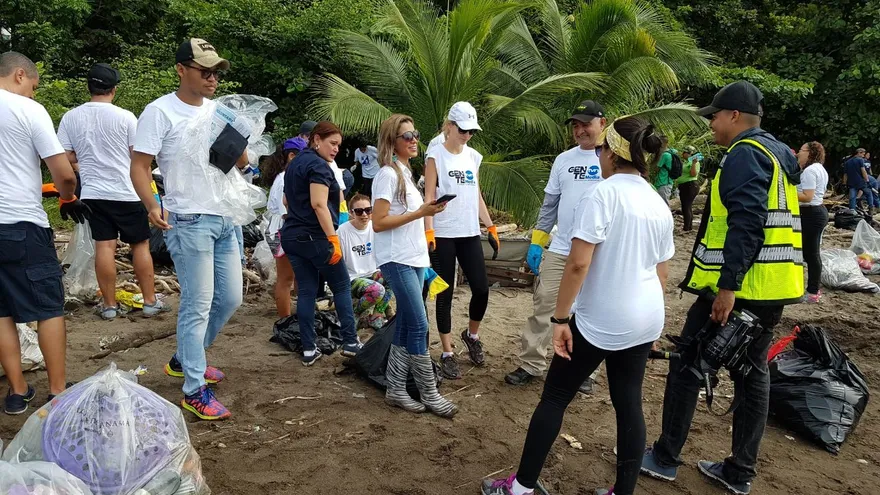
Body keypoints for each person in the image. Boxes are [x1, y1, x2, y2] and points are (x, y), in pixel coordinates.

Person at [483, 116, 673, 495]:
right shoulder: (656, 200)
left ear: (611, 152)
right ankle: (623, 491)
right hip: (646, 316)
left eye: (601, 148)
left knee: (554, 396)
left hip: (602, 316)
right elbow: (661, 272)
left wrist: (561, 318)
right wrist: (653, 325)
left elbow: (578, 262)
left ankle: (520, 488)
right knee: (628, 402)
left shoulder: (603, 194)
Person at [641, 81, 804, 495]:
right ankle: (739, 470)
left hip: (738, 290)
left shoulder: (744, 155)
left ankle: (664, 458)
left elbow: (746, 223)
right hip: (771, 289)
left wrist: (728, 288)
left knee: (688, 364)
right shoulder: (778, 154)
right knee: (752, 374)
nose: (711, 123)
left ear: (734, 116)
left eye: (714, 115)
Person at [131, 38, 241, 421]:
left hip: (225, 217)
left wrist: (243, 145)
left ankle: (185, 357)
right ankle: (194, 388)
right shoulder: (159, 112)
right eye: (204, 71)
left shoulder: (218, 110)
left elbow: (237, 161)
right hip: (189, 219)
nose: (212, 79)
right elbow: (140, 166)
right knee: (197, 304)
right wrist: (151, 204)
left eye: (216, 72)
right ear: (181, 69)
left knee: (231, 299)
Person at [0, 51, 88, 415]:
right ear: (20, 75)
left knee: (1, 311)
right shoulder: (27, 109)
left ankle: (17, 392)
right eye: (33, 87)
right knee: (49, 307)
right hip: (21, 223)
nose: (34, 94)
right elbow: (63, 172)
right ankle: (56, 390)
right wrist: (67, 198)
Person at [505, 100, 606, 394]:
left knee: (588, 311)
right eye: (576, 125)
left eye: (586, 123)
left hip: (597, 250)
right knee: (544, 304)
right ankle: (531, 363)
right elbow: (550, 205)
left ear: (602, 122)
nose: (580, 130)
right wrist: (538, 242)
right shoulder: (564, 160)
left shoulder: (611, 158)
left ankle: (584, 370)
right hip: (561, 247)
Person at [56, 63, 168, 320]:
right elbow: (139, 158)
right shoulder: (126, 117)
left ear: (89, 87)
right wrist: (151, 195)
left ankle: (109, 306)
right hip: (126, 192)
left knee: (104, 247)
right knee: (140, 245)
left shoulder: (71, 117)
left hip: (93, 193)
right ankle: (150, 301)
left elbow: (64, 154)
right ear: (114, 89)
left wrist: (81, 156)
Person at [371, 113, 456, 418]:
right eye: (406, 136)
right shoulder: (388, 175)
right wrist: (421, 212)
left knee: (409, 323)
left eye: (415, 134)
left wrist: (427, 212)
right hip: (396, 258)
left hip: (415, 256)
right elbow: (378, 222)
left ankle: (395, 388)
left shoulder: (405, 174)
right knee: (419, 324)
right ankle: (429, 392)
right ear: (391, 142)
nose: (413, 140)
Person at [424, 101, 498, 379]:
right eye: (463, 130)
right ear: (450, 127)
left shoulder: (472, 157)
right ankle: (446, 351)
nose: (467, 136)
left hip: (468, 232)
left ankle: (472, 334)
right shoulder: (436, 156)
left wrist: (490, 226)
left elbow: (476, 194)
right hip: (443, 233)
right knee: (444, 293)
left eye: (471, 131)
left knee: (481, 288)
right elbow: (429, 196)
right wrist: (429, 230)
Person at [280, 121, 362, 366]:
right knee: (341, 285)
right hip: (315, 236)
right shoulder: (319, 166)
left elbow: (286, 201)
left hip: (291, 235)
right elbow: (318, 204)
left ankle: (308, 348)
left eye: (339, 145)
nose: (336, 149)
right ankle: (350, 341)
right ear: (316, 139)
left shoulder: (294, 165)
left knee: (305, 290)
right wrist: (333, 238)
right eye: (332, 143)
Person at [263, 137, 308, 318]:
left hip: (283, 229)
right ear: (292, 156)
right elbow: (285, 211)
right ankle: (285, 320)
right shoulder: (285, 178)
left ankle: (297, 314)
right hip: (282, 230)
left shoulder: (285, 176)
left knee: (297, 276)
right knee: (286, 279)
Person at [337, 193, 393, 330]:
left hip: (373, 271)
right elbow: (338, 260)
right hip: (352, 277)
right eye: (359, 211)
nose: (364, 215)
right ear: (351, 213)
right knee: (377, 290)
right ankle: (355, 313)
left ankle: (377, 315)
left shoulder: (375, 227)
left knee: (394, 277)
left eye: (368, 210)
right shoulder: (342, 232)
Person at [796, 142, 829, 304]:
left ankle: (813, 291)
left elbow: (807, 196)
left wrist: (788, 193)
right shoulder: (819, 169)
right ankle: (812, 289)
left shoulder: (810, 171)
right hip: (815, 212)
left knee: (811, 253)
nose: (798, 154)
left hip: (811, 213)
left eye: (801, 150)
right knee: (809, 253)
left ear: (810, 153)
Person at [675, 145, 702, 232]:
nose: (683, 154)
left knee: (686, 206)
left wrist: (694, 163)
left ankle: (687, 227)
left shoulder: (695, 162)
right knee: (686, 206)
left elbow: (693, 174)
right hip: (684, 185)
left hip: (690, 185)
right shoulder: (686, 162)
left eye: (685, 153)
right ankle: (688, 226)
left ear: (689, 154)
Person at [844, 148, 872, 213]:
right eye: (863, 154)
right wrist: (867, 180)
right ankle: (871, 209)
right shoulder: (860, 160)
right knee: (869, 194)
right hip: (861, 182)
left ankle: (852, 212)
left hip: (851, 183)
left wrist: (844, 183)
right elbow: (863, 171)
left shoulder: (847, 162)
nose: (863, 156)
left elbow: (845, 175)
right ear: (859, 153)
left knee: (852, 198)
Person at [653, 137, 675, 204]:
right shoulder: (672, 152)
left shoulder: (665, 155)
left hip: (664, 182)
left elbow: (657, 169)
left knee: (663, 203)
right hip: (666, 182)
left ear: (663, 143)